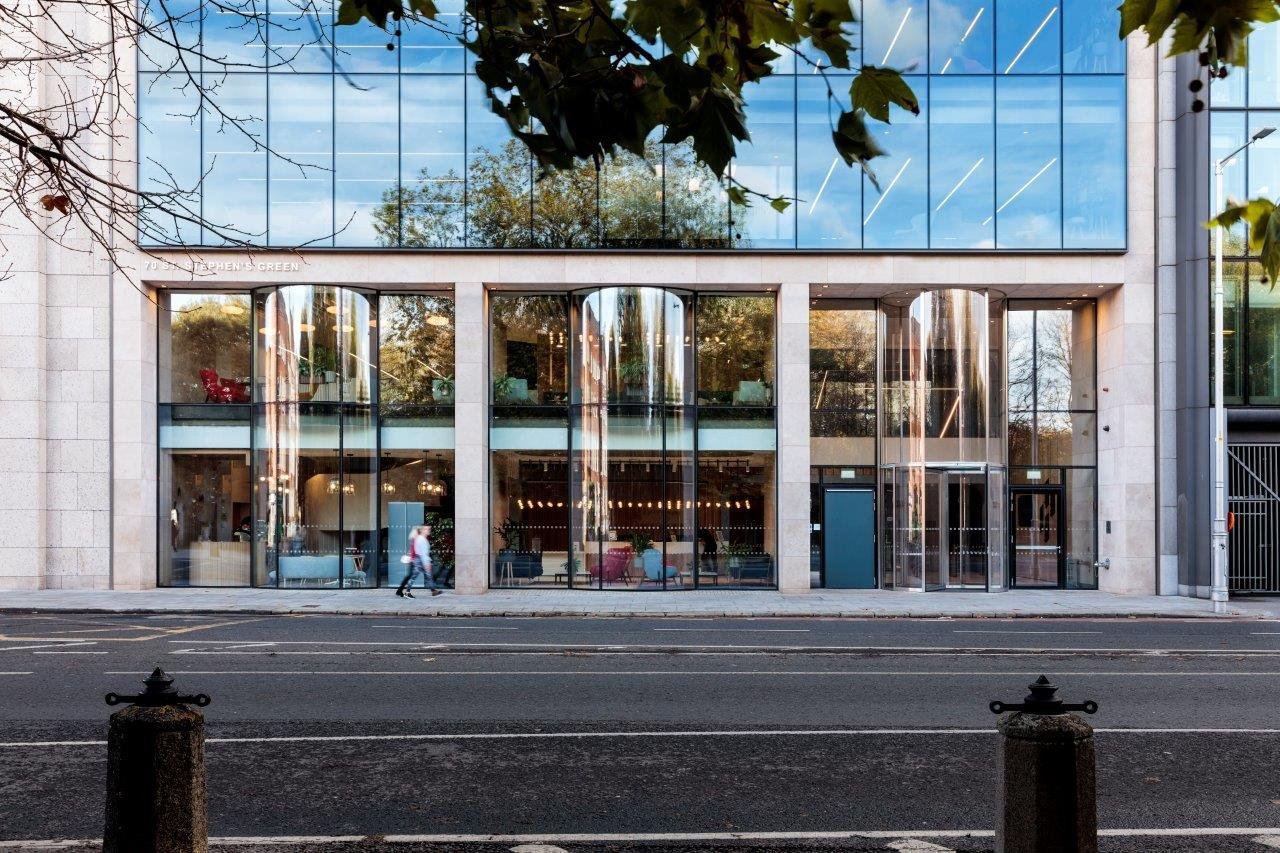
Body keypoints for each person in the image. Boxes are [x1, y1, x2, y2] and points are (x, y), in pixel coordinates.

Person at [397, 524, 442, 598]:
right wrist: (426, 563)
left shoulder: (422, 538)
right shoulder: (420, 539)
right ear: (421, 530)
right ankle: (407, 592)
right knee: (414, 576)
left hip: (419, 560)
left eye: (429, 529)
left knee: (427, 575)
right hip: (419, 560)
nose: (428, 531)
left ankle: (433, 590)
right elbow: (422, 553)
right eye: (426, 529)